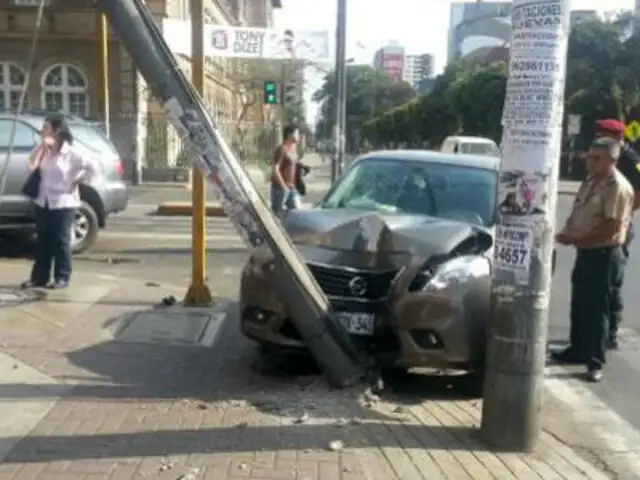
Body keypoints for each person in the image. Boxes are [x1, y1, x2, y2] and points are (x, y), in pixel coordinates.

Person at [553, 137, 633, 382]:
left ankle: (594, 361)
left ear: (612, 160)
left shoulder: (616, 186)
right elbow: (580, 210)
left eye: (596, 158)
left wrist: (578, 240)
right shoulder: (591, 180)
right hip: (586, 251)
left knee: (598, 309)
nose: (590, 162)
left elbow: (612, 226)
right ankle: (577, 349)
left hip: (604, 253)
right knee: (580, 303)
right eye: (589, 156)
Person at [20, 114, 96, 290]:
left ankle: (62, 277)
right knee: (43, 240)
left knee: (61, 241)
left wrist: (78, 180)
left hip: (64, 202)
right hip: (43, 201)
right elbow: (30, 166)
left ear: (57, 131)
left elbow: (93, 167)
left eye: (46, 128)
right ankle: (39, 278)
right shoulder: (44, 151)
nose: (42, 131)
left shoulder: (71, 153)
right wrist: (42, 147)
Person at [594, 119, 640, 349]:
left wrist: (624, 213)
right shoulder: (603, 154)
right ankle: (595, 332)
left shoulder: (630, 159)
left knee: (612, 279)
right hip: (598, 223)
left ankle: (610, 332)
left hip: (618, 226)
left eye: (602, 134)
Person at [271, 124, 301, 214]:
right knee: (276, 214)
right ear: (290, 135)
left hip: (292, 188)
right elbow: (275, 168)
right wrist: (283, 186)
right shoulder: (282, 149)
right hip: (280, 189)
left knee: (298, 213)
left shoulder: (293, 148)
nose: (298, 136)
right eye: (297, 133)